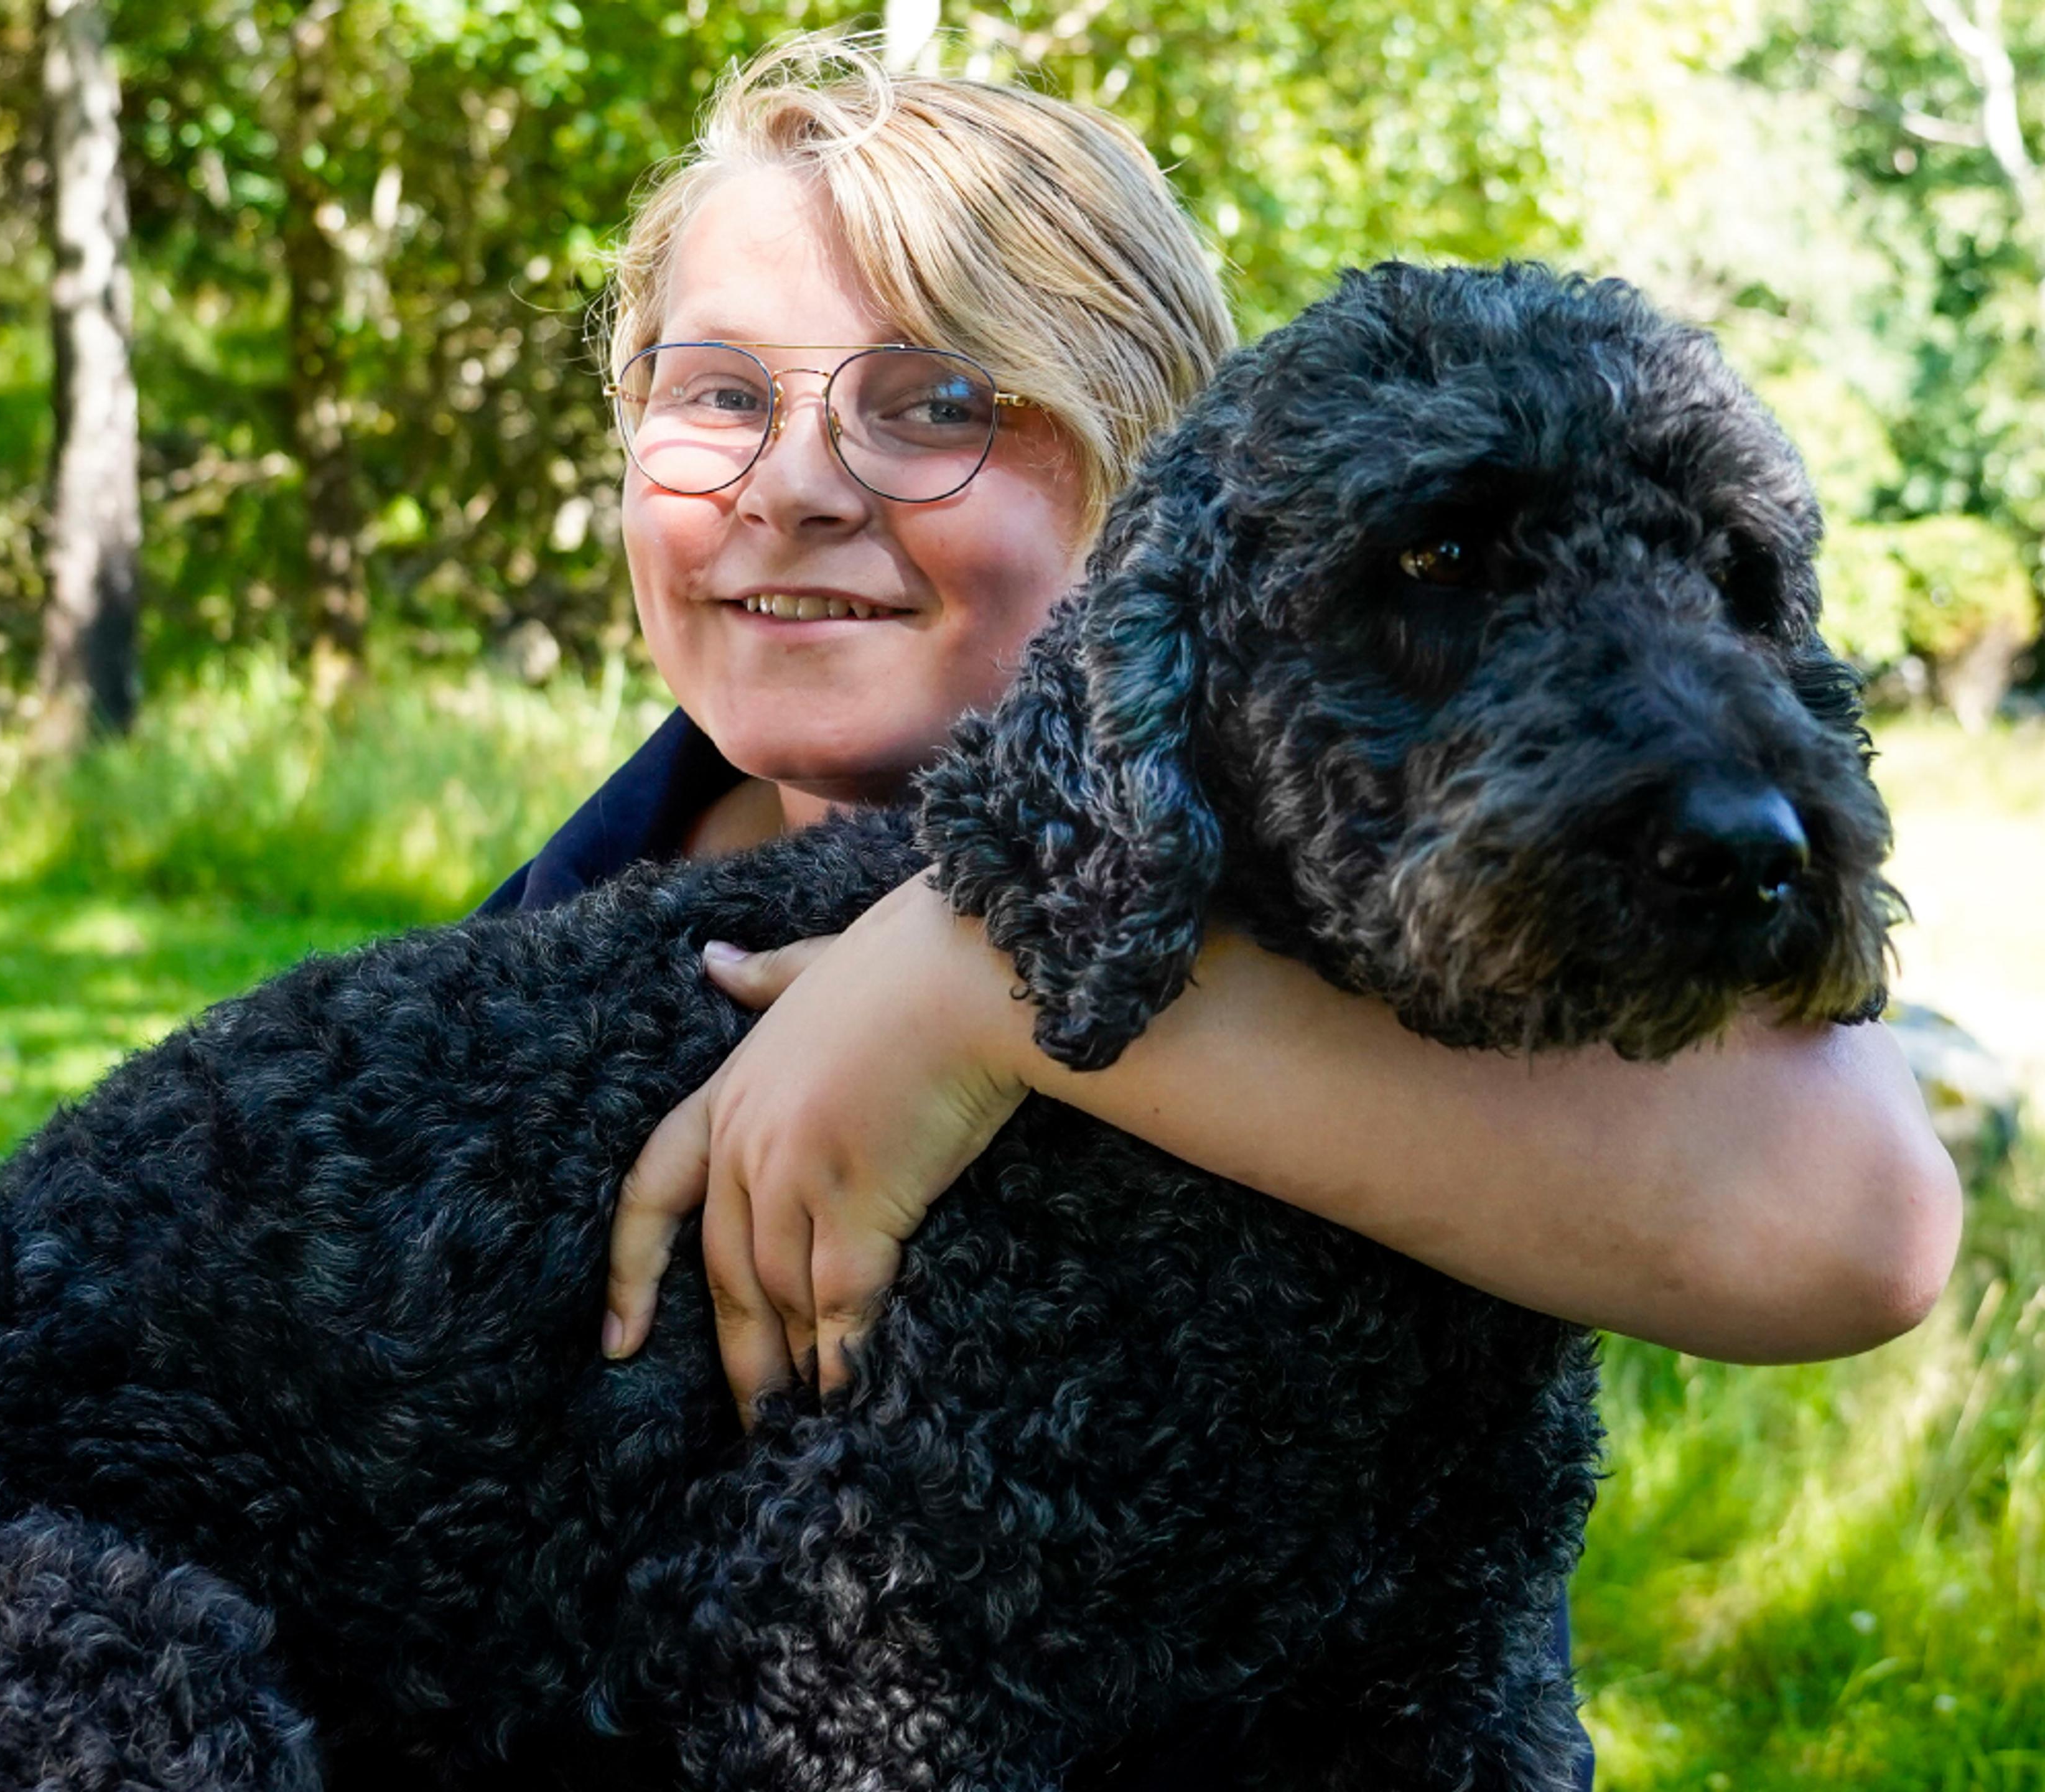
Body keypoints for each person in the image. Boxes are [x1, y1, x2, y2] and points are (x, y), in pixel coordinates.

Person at [479, 32, 1963, 1784]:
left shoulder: (1366, 897)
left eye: (941, 401)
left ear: (1159, 483)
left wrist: (977, 979)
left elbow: (1859, 1220)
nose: (794, 482)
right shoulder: (531, 940)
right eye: (718, 394)